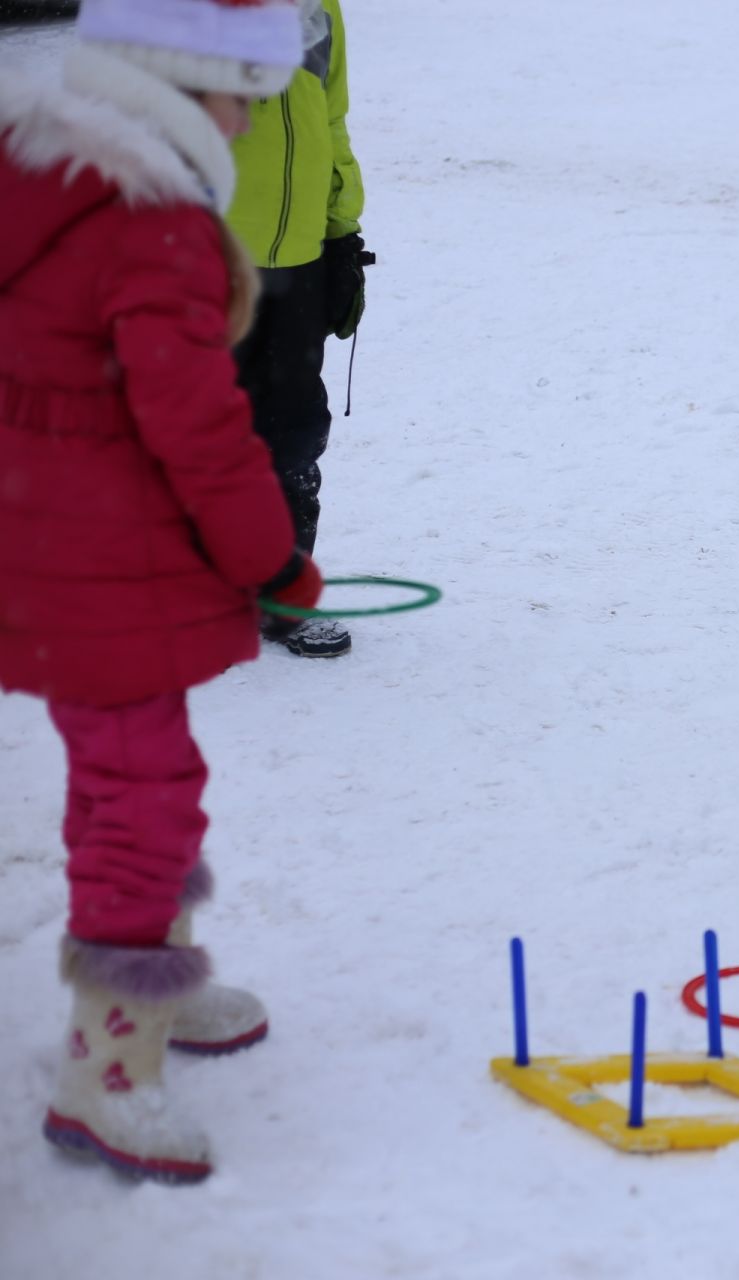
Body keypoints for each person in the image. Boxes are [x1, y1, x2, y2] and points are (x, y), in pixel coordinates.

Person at [0, 0, 322, 1183]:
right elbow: (200, 431)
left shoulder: (35, 174)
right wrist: (273, 559)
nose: (244, 126)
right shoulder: (152, 224)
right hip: (100, 565)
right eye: (242, 94)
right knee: (146, 796)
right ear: (180, 81)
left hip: (45, 546)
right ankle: (108, 1074)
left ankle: (154, 973)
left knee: (125, 777)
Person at [228, 0, 368, 659]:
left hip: (300, 254)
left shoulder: (318, 7)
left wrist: (342, 230)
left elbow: (329, 119)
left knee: (292, 428)